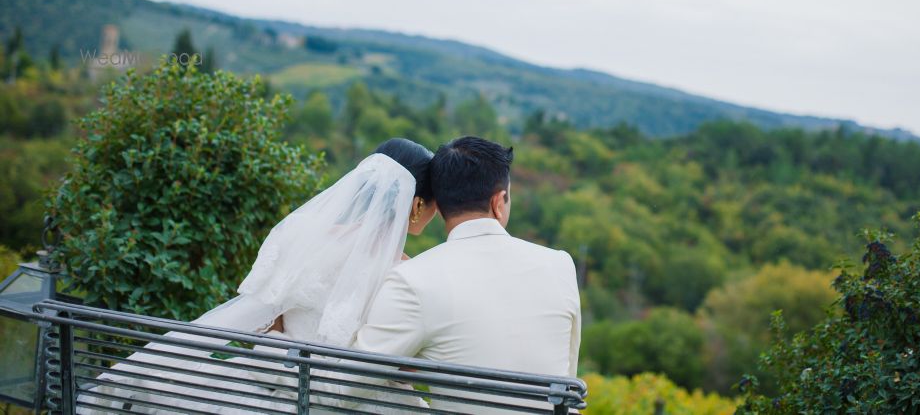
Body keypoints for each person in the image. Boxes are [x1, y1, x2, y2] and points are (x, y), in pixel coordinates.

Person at [77, 138, 437, 414]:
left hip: (273, 374)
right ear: (417, 203)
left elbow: (266, 319)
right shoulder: (406, 273)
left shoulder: (307, 236)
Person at [350, 135, 582, 413]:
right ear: (498, 202)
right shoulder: (560, 265)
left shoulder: (413, 279)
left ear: (440, 206)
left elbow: (351, 381)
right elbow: (567, 378)